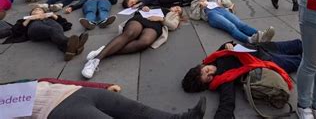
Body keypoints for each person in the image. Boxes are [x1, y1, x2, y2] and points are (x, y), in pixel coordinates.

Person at [181, 40, 316, 118]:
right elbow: (226, 104)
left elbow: (228, 45)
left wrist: (230, 45)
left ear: (200, 67)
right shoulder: (222, 78)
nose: (211, 73)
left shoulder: (213, 57)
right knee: (303, 60)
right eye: (208, 78)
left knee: (298, 44)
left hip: (263, 47)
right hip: (266, 61)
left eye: (206, 71)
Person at [19, 77, 206, 119]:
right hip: (56, 110)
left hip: (79, 92)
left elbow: (56, 80)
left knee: (139, 111)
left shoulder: (17, 83)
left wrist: (102, 86)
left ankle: (184, 118)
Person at [81, 6, 183, 79]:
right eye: (177, 7)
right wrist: (145, 8)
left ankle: (103, 51)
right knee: (129, 33)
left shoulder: (174, 16)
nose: (177, 9)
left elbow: (173, 26)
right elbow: (140, 10)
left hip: (156, 25)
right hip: (141, 19)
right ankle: (94, 61)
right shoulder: (159, 7)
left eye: (179, 10)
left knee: (145, 42)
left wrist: (162, 19)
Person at [3, 7, 88, 61]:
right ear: (31, 13)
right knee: (51, 30)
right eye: (34, 10)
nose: (37, 10)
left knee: (56, 29)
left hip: (50, 24)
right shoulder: (26, 19)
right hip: (35, 28)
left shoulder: (49, 17)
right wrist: (30, 19)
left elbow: (65, 24)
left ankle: (70, 50)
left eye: (40, 9)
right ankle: (72, 42)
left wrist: (52, 15)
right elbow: (17, 30)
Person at [197, 0, 274, 44]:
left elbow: (229, 4)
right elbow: (196, 15)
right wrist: (201, 6)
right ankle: (250, 40)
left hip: (222, 10)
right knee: (231, 27)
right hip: (212, 14)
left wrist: (221, 2)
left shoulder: (214, 1)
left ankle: (261, 35)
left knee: (240, 24)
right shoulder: (199, 5)